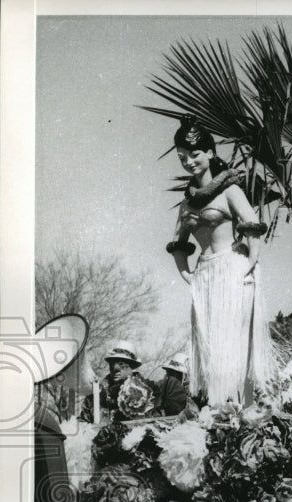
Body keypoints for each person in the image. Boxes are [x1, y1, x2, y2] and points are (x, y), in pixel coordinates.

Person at [167, 116, 277, 407]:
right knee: (210, 343)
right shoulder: (187, 203)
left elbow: (251, 224)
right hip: (205, 275)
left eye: (195, 154)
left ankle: (242, 405)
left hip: (232, 268)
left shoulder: (229, 189)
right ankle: (217, 407)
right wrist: (187, 274)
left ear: (210, 153)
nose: (189, 162)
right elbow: (179, 242)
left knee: (235, 342)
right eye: (183, 157)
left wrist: (250, 263)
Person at [79, 341, 154, 423]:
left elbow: (149, 424)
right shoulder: (97, 393)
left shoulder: (145, 394)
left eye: (121, 363)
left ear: (131, 366)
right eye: (112, 363)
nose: (115, 368)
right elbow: (83, 423)